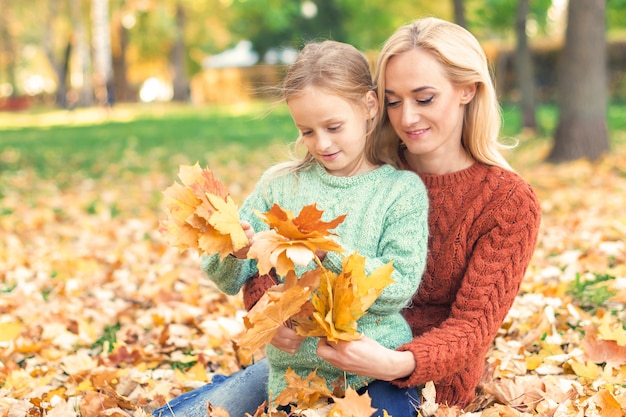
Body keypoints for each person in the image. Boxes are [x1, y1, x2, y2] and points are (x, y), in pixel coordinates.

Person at [154, 16, 541, 416]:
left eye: (424, 99)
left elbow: (473, 327)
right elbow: (271, 253)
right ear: (376, 102)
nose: (407, 118)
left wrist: (393, 363)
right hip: (310, 358)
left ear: (467, 90)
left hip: (416, 379)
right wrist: (272, 313)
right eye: (394, 100)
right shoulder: (357, 167)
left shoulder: (507, 202)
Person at [154, 40, 429, 417]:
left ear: (369, 105)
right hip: (293, 375)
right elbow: (228, 279)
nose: (322, 143)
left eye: (333, 126)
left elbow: (397, 288)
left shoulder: (400, 191)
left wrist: (327, 253)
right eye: (307, 131)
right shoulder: (280, 185)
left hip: (374, 373)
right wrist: (236, 253)